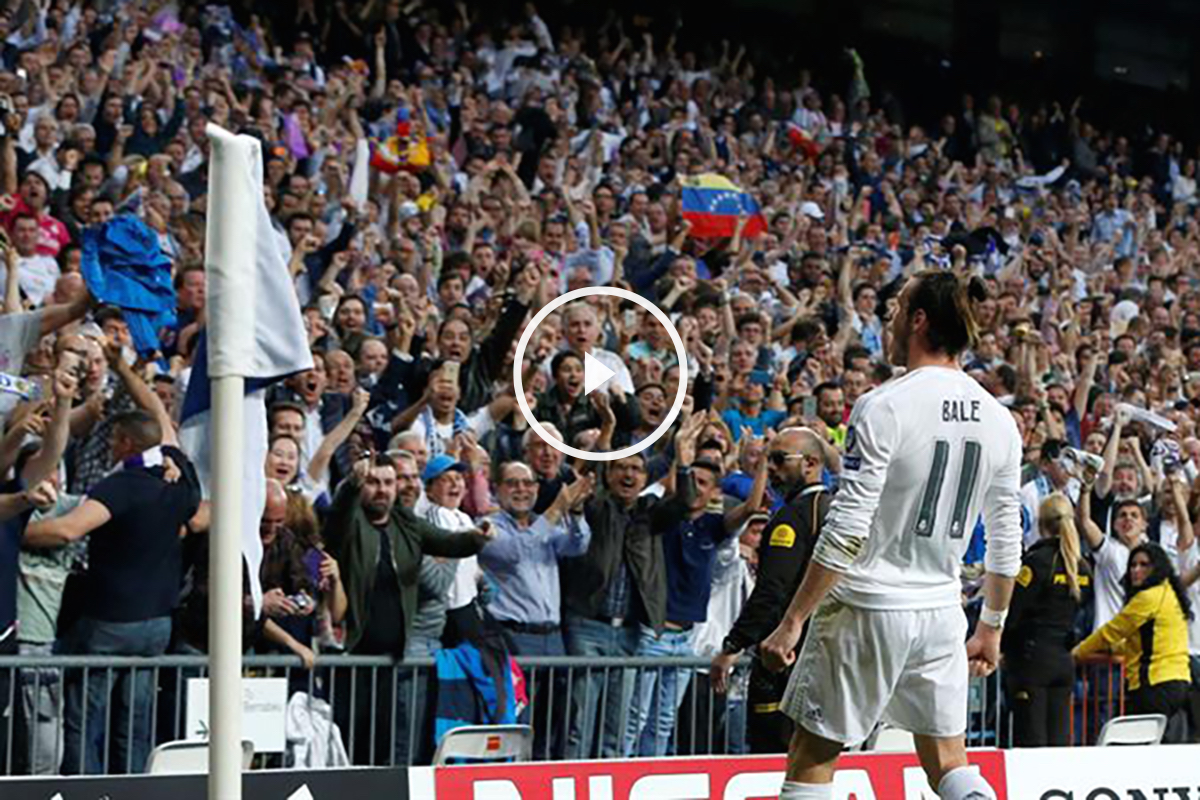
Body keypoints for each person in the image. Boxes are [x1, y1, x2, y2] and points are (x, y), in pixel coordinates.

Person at [759, 271, 1023, 800]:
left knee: (812, 758)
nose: (890, 321)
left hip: (868, 606)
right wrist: (991, 626)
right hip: (941, 611)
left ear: (919, 319)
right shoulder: (999, 419)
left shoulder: (884, 405)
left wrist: (793, 621)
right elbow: (1004, 537)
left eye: (896, 309)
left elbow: (848, 525)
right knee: (948, 762)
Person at [24, 406, 200, 776]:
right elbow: (167, 434)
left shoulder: (122, 486)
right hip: (158, 627)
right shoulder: (180, 483)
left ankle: (85, 792)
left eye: (114, 438)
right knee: (134, 725)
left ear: (125, 442)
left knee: (83, 720)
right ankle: (132, 790)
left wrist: (14, 534)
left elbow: (67, 531)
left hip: (111, 621)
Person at [322, 453, 494, 766]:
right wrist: (350, 486)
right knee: (353, 745)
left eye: (388, 482)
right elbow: (334, 523)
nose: (382, 490)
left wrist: (477, 537)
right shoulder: (352, 522)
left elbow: (449, 543)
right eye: (373, 483)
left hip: (398, 658)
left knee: (392, 746)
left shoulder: (406, 522)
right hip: (354, 657)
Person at [710, 427, 833, 753]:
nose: (770, 469)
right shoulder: (838, 512)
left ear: (810, 463)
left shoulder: (791, 519)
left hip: (785, 661)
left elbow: (772, 592)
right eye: (767, 460)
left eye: (778, 459)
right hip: (831, 658)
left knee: (774, 755)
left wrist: (732, 645)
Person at [1074, 542, 1193, 741]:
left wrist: (1077, 653)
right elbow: (1148, 640)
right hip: (1178, 682)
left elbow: (1110, 631)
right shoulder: (1169, 594)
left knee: (1135, 749)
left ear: (1157, 568)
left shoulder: (1148, 598)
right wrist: (1116, 648)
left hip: (1155, 684)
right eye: (1133, 565)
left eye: (1144, 565)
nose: (1136, 570)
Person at [1001, 493, 1092, 747]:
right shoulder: (1082, 567)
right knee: (1059, 739)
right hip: (1063, 658)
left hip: (1032, 660)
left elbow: (1014, 612)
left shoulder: (1036, 563)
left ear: (1041, 524)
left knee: (1031, 739)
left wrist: (1003, 648)